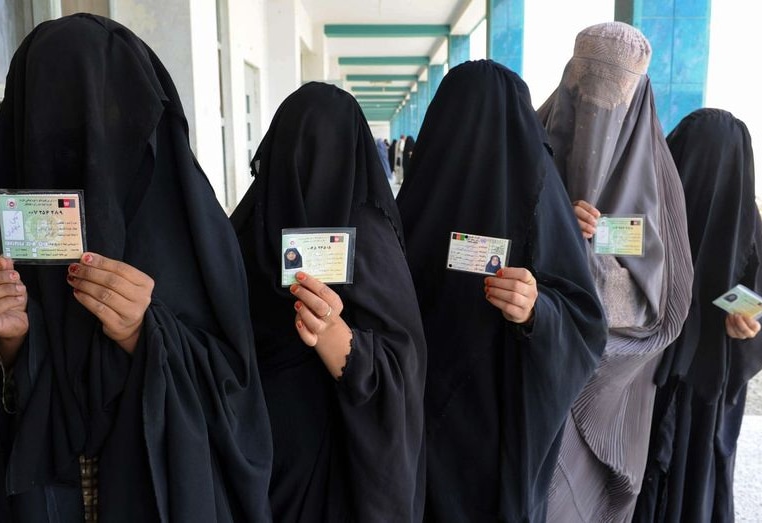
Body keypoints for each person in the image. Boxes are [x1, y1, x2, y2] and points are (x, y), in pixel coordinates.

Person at [0, 14, 272, 521]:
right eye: (56, 123)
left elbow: (240, 399)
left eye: (107, 117)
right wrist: (5, 349)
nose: (86, 148)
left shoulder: (198, 236)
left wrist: (148, 334)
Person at [396, 59, 607, 522]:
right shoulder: (409, 208)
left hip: (492, 421)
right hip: (426, 425)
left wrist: (537, 310)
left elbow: (584, 322)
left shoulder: (418, 201)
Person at [230, 82, 427, 522]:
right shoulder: (242, 230)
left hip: (330, 464)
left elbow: (402, 367)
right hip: (254, 456)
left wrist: (337, 338)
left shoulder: (367, 236)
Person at [537, 22, 693, 522]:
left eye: (614, 100)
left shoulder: (659, 183)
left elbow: (659, 306)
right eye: (586, 92)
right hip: (534, 373)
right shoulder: (532, 148)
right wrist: (556, 222)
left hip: (609, 392)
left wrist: (596, 261)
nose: (597, 115)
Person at [633, 109, 762, 522]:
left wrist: (746, 328)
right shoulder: (745, 222)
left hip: (656, 380)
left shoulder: (651, 213)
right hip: (694, 392)